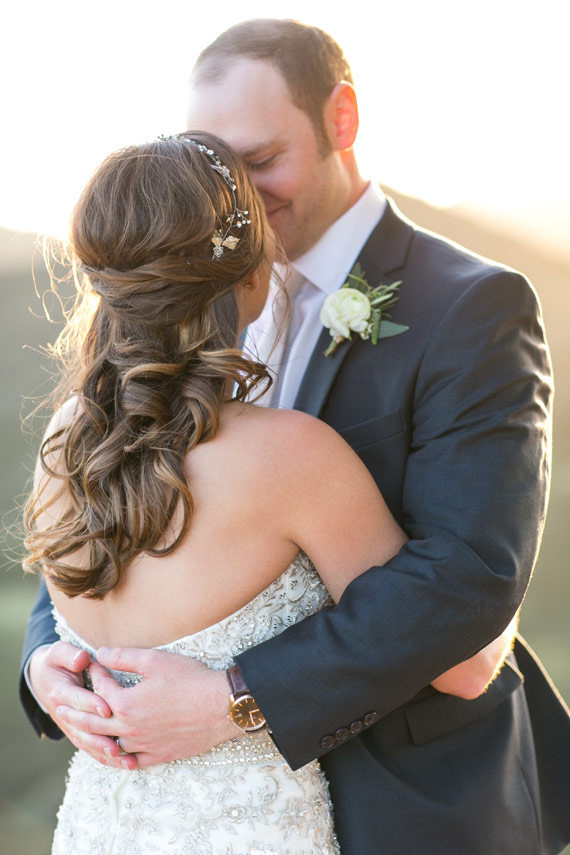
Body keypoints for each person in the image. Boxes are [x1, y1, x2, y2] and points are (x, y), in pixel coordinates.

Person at [20, 19, 570, 855]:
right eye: (217, 163)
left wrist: (235, 697)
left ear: (340, 120)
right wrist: (48, 662)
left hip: (406, 799)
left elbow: (467, 577)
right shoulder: (135, 367)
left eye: (263, 158)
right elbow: (112, 499)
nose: (239, 192)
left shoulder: (473, 307)